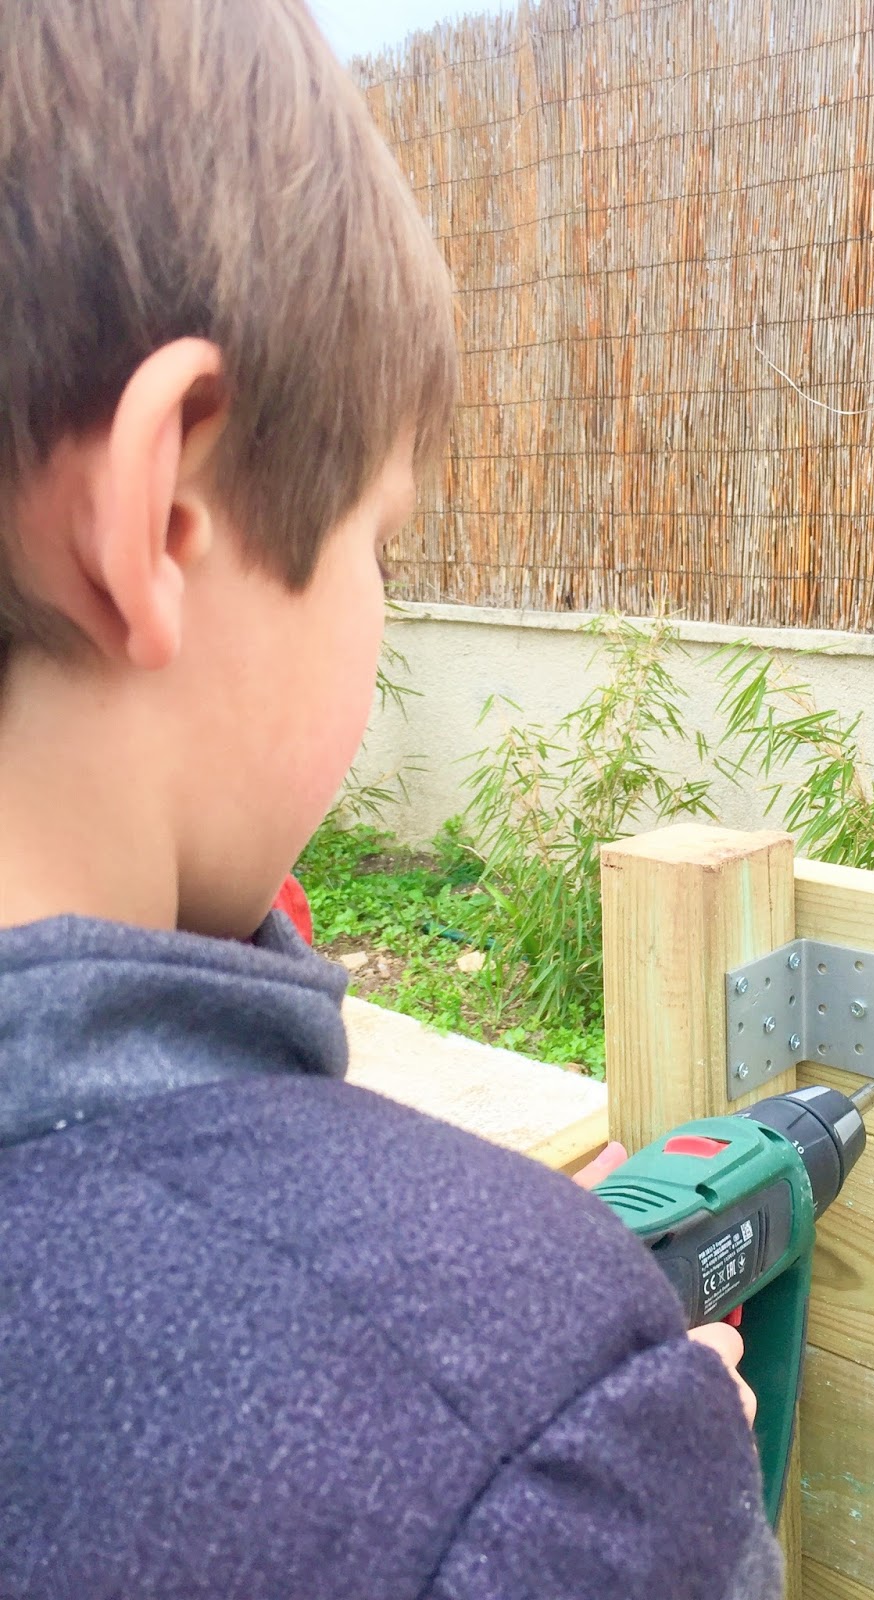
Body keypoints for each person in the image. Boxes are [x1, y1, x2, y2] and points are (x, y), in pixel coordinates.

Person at [0, 3, 783, 1596]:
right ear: (163, 512)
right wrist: (609, 1462)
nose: (383, 601)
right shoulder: (552, 1442)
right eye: (384, 542)